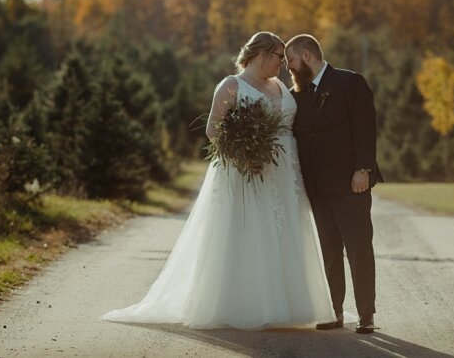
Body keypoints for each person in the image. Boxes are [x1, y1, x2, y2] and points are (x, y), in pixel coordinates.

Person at [101, 31, 334, 329]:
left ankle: (291, 305)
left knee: (285, 230)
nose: (284, 64)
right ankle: (250, 304)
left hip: (285, 172)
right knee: (251, 231)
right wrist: (245, 156)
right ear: (261, 54)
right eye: (279, 57)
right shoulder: (231, 85)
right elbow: (213, 129)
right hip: (247, 170)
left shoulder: (279, 86)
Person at [285, 34, 384, 334]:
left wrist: (363, 169)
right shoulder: (297, 94)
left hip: (350, 182)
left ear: (306, 55)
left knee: (358, 249)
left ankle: (366, 314)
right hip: (316, 186)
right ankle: (335, 312)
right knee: (329, 251)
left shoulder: (350, 82)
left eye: (290, 60)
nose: (287, 67)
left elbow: (366, 129)